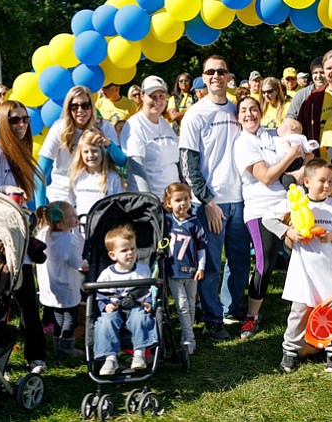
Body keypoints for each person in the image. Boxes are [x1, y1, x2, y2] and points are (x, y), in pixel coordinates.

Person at [0, 100, 48, 374]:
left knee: (27, 299)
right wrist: (5, 191)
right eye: (14, 120)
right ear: (2, 123)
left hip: (19, 238)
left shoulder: (24, 157)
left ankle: (36, 356)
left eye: (25, 119)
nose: (21, 125)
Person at [179, 55, 251, 341]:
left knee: (240, 261)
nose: (216, 76)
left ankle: (234, 310)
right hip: (211, 203)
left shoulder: (238, 110)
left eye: (221, 71)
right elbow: (188, 165)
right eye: (210, 72)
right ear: (204, 76)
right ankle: (213, 319)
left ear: (229, 75)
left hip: (240, 199)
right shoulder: (196, 114)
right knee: (209, 265)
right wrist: (207, 201)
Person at [263, 159, 332, 373]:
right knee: (299, 313)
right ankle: (290, 351)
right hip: (303, 274)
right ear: (306, 181)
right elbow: (267, 219)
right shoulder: (297, 203)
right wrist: (288, 232)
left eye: (331, 181)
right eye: (322, 181)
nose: (327, 186)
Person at [234, 96, 303, 340]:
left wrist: (298, 165)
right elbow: (265, 177)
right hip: (260, 210)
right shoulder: (243, 143)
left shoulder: (273, 136)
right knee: (265, 262)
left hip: (288, 205)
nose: (249, 114)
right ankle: (252, 317)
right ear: (238, 116)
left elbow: (296, 166)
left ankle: (307, 308)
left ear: (261, 112)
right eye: (243, 110)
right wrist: (291, 156)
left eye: (253, 109)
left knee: (305, 254)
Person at [37, 86, 125, 205]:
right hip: (63, 193)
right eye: (74, 106)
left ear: (92, 107)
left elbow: (121, 160)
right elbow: (40, 171)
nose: (80, 110)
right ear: (68, 108)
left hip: (96, 191)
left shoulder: (105, 126)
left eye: (85, 105)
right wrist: (41, 209)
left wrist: (107, 143)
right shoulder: (59, 128)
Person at [94, 224, 156, 375]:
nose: (130, 253)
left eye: (133, 249)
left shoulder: (143, 270)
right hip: (115, 308)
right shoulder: (107, 275)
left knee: (141, 317)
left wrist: (148, 302)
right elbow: (100, 295)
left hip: (136, 306)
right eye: (124, 250)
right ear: (112, 255)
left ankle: (139, 353)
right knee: (105, 321)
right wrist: (105, 306)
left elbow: (148, 291)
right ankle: (110, 358)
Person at [35, 201, 86, 360]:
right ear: (61, 222)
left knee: (58, 315)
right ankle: (65, 350)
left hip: (51, 286)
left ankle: (57, 346)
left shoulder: (43, 234)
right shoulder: (68, 241)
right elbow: (76, 262)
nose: (76, 217)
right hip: (66, 286)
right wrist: (84, 265)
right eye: (72, 216)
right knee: (70, 318)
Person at [163, 183, 207, 355]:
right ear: (169, 203)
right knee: (181, 305)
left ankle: (187, 336)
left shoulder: (195, 223)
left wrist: (201, 267)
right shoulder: (167, 221)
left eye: (186, 199)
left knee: (190, 304)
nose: (182, 203)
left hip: (191, 271)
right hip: (174, 271)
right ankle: (190, 339)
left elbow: (201, 248)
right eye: (177, 200)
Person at [121, 75, 180, 200]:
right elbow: (137, 169)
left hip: (172, 201)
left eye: (161, 96)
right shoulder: (134, 125)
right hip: (150, 201)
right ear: (142, 96)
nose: (157, 101)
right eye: (152, 96)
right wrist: (150, 202)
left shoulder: (164, 124)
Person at [68, 130, 124, 219]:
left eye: (94, 151)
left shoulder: (113, 178)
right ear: (80, 154)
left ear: (102, 152)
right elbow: (72, 204)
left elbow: (120, 207)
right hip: (81, 230)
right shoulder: (77, 177)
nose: (90, 155)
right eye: (86, 152)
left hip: (105, 228)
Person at [298, 49, 332, 143]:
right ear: (324, 70)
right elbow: (301, 130)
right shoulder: (312, 99)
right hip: (321, 155)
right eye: (329, 68)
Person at [287, 57, 325, 121]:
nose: (318, 76)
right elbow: (291, 116)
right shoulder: (301, 95)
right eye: (315, 73)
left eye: (322, 72)